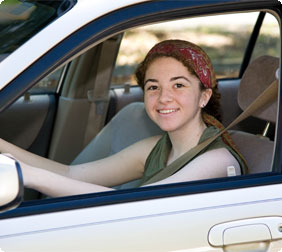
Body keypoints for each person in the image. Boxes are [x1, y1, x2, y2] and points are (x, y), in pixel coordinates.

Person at [0, 39, 247, 197]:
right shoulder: (154, 148)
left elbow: (139, 205)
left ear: (204, 96)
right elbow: (72, 175)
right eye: (153, 87)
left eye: (178, 85)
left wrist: (28, 176)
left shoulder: (216, 160)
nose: (163, 98)